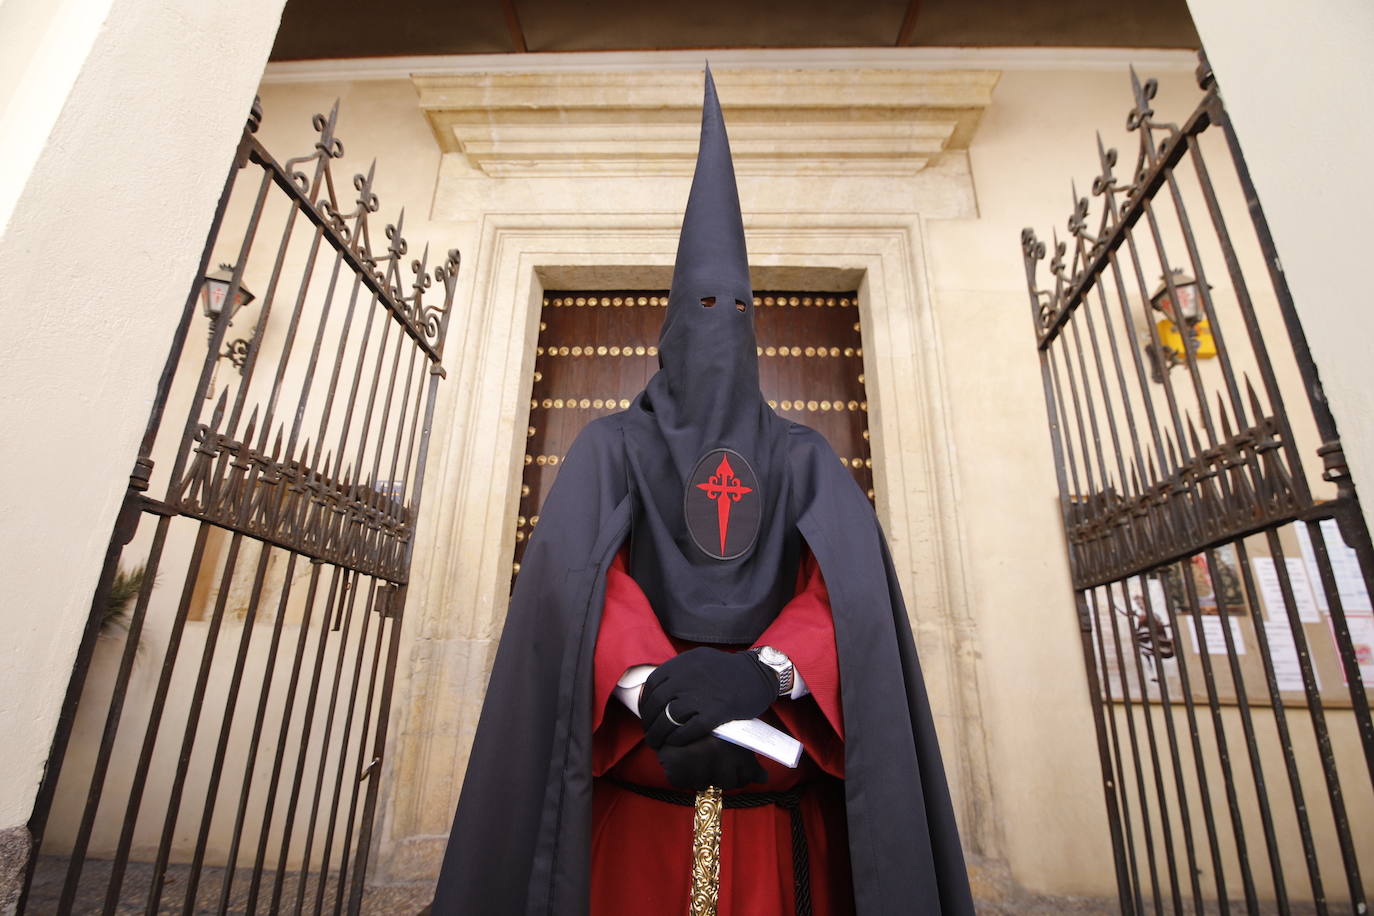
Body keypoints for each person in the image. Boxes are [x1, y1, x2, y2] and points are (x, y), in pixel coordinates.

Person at [430, 66, 974, 916]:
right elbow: (577, 587)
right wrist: (654, 689)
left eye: (736, 308)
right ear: (669, 327)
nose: (718, 322)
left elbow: (847, 596)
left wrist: (764, 673)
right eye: (700, 306)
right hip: (632, 820)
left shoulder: (802, 458)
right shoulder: (609, 448)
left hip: (775, 822)